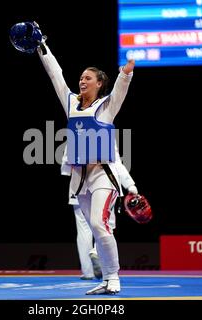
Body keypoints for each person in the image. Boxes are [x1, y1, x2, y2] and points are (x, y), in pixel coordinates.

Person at [37, 32, 135, 295]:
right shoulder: (70, 102)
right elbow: (55, 75)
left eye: (87, 78)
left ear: (99, 83)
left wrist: (126, 73)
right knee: (94, 226)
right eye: (81, 77)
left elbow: (120, 90)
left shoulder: (106, 106)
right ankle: (104, 279)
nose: (82, 80)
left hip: (104, 174)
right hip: (79, 178)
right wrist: (42, 45)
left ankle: (113, 278)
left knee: (99, 223)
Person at [61, 146, 138, 281]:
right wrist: (130, 185)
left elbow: (67, 161)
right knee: (105, 224)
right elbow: (116, 162)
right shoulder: (104, 132)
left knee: (84, 230)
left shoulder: (75, 131)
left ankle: (88, 272)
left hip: (78, 187)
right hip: (102, 184)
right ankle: (97, 252)